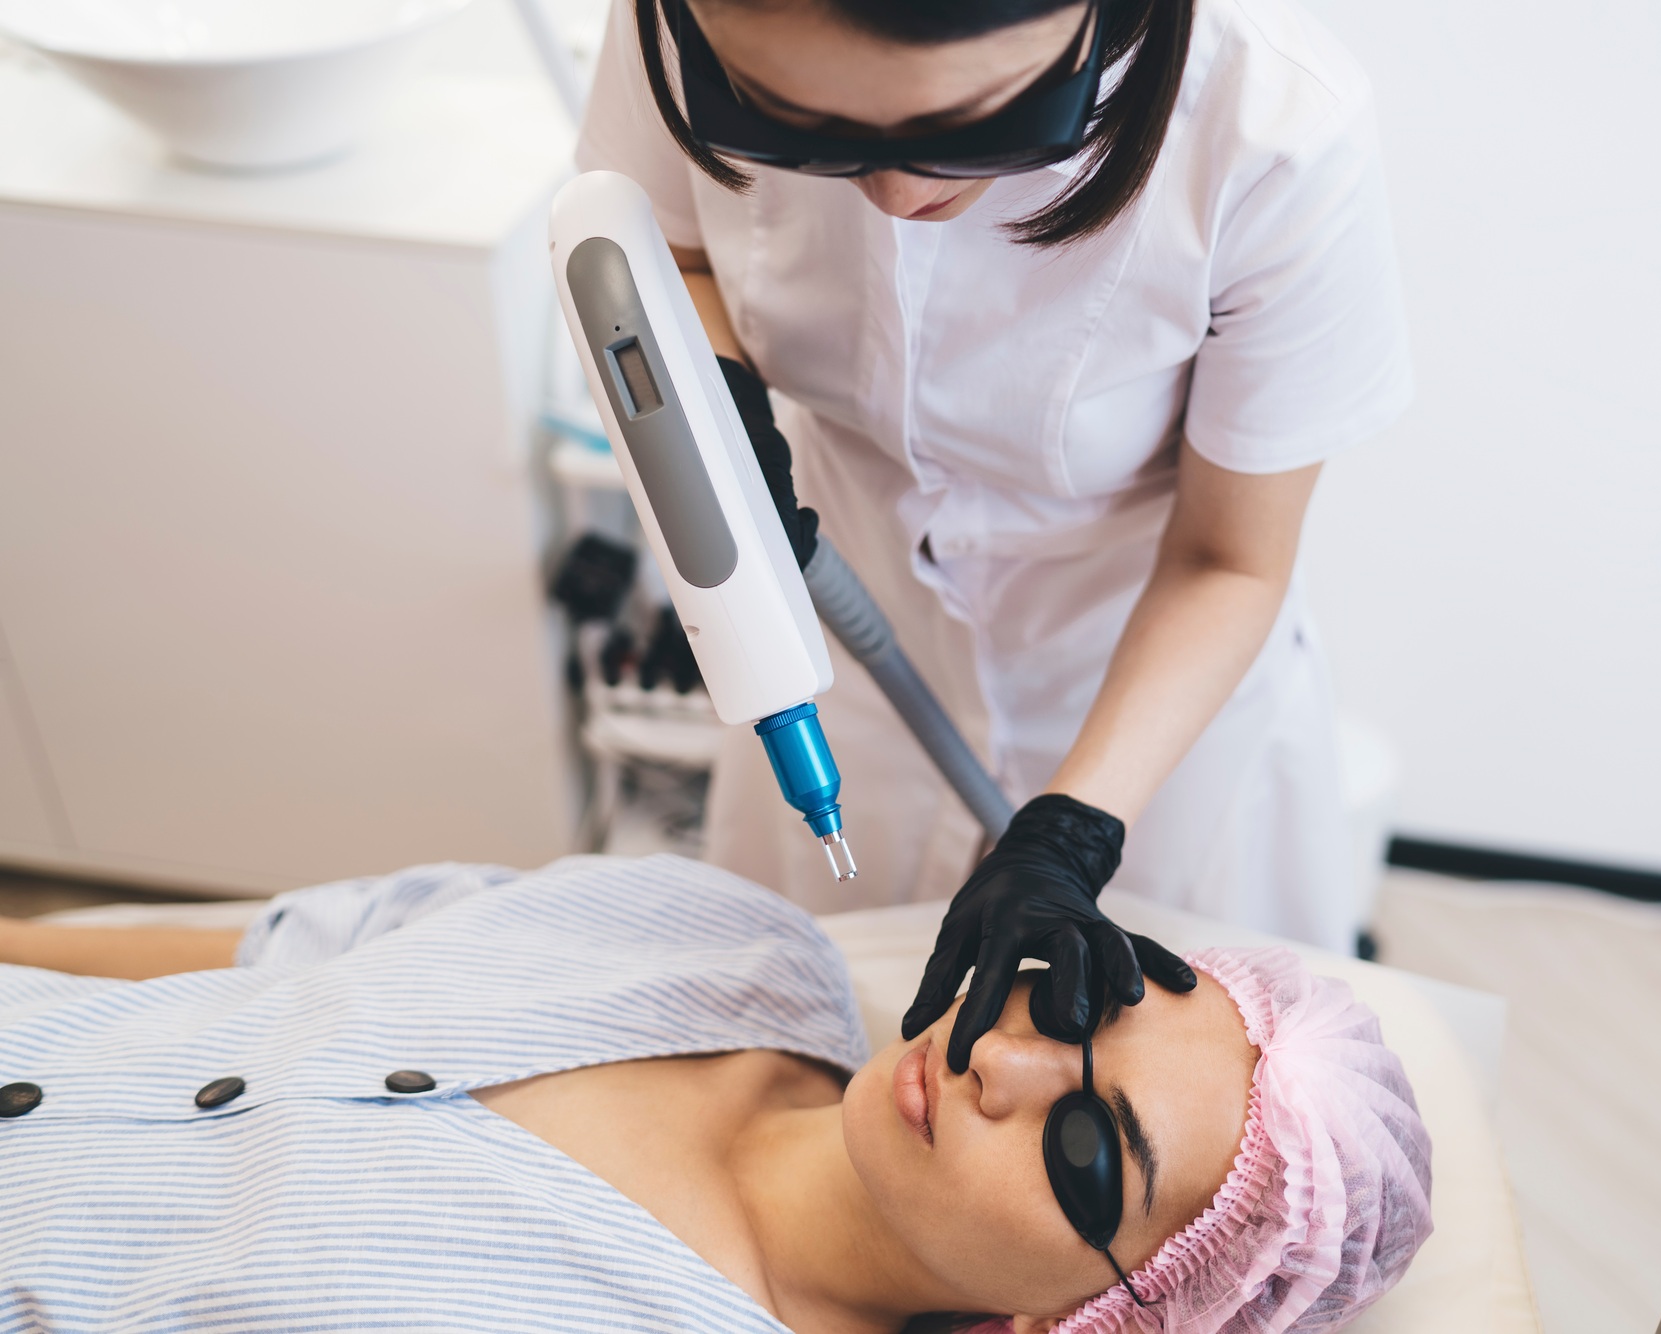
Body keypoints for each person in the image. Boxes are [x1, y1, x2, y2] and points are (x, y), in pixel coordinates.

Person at [575, 0, 1412, 1033]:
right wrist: (720, 405)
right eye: (792, 127)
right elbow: (663, 250)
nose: (893, 193)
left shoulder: (1275, 132)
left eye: (976, 125)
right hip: (848, 663)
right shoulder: (686, 24)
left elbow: (1227, 560)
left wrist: (1073, 831)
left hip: (1142, 690)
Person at [0, 855, 1431, 1331]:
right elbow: (261, 945)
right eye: (1086, 997)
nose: (1005, 1053)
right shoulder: (722, 935)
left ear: (1092, 1314)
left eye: (1085, 1145)